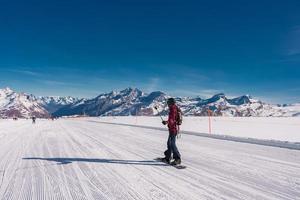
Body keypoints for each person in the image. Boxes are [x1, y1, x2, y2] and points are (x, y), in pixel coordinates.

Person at [161, 98, 181, 165]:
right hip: (173, 129)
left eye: (168, 103)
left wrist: (166, 122)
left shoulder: (173, 109)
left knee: (172, 144)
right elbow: (172, 119)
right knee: (169, 143)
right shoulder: (174, 108)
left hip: (173, 129)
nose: (167, 104)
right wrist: (167, 122)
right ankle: (168, 157)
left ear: (170, 103)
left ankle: (177, 158)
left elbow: (172, 120)